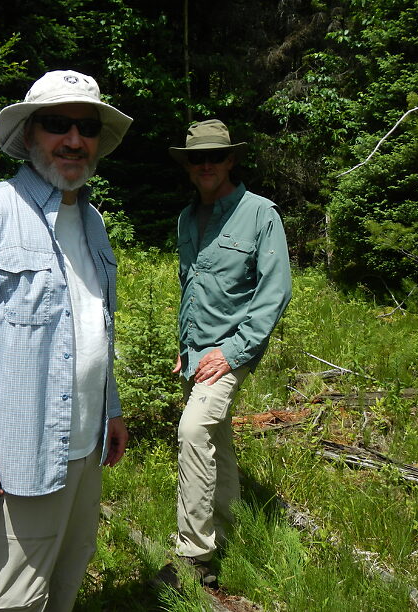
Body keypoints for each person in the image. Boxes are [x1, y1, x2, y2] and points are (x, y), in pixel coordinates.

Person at [0, 69, 131, 611]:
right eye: (57, 124)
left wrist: (111, 409)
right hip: (19, 462)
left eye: (87, 127)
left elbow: (94, 323)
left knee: (65, 587)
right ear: (31, 135)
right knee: (18, 601)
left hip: (83, 455)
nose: (74, 139)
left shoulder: (94, 223)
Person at [165, 119, 292, 584]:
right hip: (198, 352)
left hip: (233, 351)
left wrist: (231, 351)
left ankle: (194, 556)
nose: (206, 164)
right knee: (215, 438)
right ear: (188, 164)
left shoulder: (261, 215)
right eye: (198, 157)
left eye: (215, 156)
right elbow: (191, 287)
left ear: (231, 159)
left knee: (194, 431)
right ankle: (234, 525)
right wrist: (187, 347)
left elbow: (274, 292)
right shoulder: (186, 218)